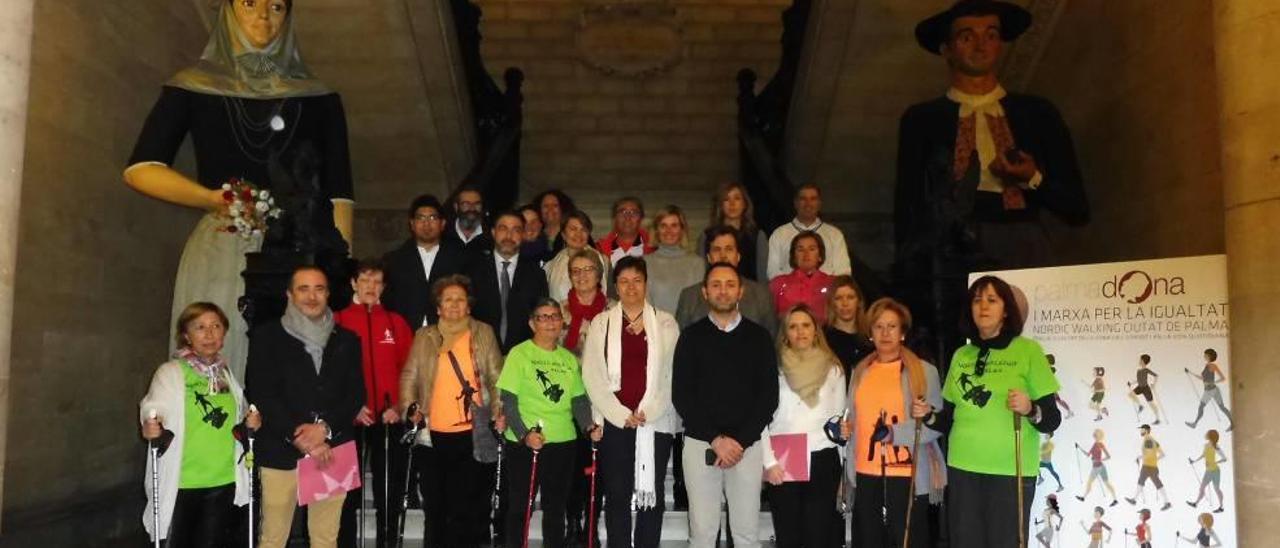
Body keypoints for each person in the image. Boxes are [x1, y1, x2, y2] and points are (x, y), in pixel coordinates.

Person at [124, 0, 356, 382]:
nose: (263, 17)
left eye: (277, 7)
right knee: (218, 347)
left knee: (297, 365)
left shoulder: (320, 98)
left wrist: (336, 270)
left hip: (299, 247)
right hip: (223, 244)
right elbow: (140, 169)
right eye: (250, 3)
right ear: (228, 11)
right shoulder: (191, 87)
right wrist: (213, 199)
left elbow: (339, 194)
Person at [894, 0, 1089, 368]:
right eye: (967, 36)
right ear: (948, 49)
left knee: (1036, 346)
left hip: (1024, 241)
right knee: (962, 353)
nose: (981, 45)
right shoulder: (923, 120)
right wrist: (910, 276)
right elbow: (907, 207)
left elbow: (1076, 206)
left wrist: (1031, 177)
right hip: (953, 251)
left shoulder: (1036, 113)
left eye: (991, 35)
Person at [911, 275, 1062, 548]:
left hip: (1009, 470)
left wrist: (1030, 408)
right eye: (977, 300)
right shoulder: (961, 355)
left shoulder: (1028, 351)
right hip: (963, 468)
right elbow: (948, 419)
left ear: (1006, 309)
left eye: (992, 300)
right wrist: (928, 414)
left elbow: (1052, 418)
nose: (983, 306)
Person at [246, 266, 365, 548]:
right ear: (289, 294)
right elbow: (262, 393)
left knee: (326, 537)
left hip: (333, 448)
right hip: (280, 447)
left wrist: (324, 430)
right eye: (303, 289)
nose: (312, 296)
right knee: (273, 537)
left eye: (319, 289)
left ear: (328, 294)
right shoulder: (266, 337)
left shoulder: (347, 340)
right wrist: (302, 438)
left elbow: (355, 394)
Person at [673, 262, 779, 548]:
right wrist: (716, 440)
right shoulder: (691, 337)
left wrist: (739, 442)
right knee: (703, 534)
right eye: (716, 285)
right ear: (705, 292)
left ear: (741, 291)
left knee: (745, 534)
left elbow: (768, 397)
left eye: (730, 284)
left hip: (747, 447)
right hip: (701, 445)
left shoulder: (759, 338)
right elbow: (682, 396)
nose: (723, 290)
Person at [139, 302, 261, 547]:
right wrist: (152, 423)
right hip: (183, 481)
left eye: (216, 326)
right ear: (186, 335)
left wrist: (251, 420)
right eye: (200, 327)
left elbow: (240, 413)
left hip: (223, 479)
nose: (209, 334)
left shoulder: (226, 374)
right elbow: (154, 406)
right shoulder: (171, 372)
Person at [580, 257, 681, 548]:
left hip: (655, 421)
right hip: (615, 423)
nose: (631, 287)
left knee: (652, 497)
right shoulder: (602, 323)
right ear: (614, 286)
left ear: (646, 284)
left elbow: (672, 374)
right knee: (617, 495)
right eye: (623, 281)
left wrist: (649, 411)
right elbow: (592, 374)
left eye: (637, 280)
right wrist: (620, 413)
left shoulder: (665, 323)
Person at [398, 274, 504, 547]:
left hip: (473, 434)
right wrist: (410, 408)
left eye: (460, 300)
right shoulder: (424, 336)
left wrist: (498, 412)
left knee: (470, 507)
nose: (455, 305)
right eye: (448, 300)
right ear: (438, 307)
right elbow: (410, 375)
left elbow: (496, 377)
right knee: (435, 507)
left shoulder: (483, 332)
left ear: (469, 306)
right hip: (432, 436)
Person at [840, 298, 944, 548]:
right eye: (878, 326)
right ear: (870, 332)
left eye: (892, 326)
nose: (885, 333)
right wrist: (846, 428)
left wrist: (893, 434)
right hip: (865, 472)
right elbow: (852, 416)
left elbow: (935, 425)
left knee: (908, 542)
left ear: (903, 333)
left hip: (907, 475)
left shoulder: (923, 371)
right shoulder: (860, 371)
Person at [498, 298, 594, 548]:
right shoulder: (519, 354)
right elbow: (508, 401)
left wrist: (589, 427)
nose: (550, 322)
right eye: (543, 317)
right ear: (532, 323)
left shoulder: (569, 359)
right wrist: (524, 434)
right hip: (525, 443)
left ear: (562, 322)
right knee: (520, 508)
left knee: (556, 509)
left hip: (563, 442)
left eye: (555, 316)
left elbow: (579, 401)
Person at [334, 260, 414, 548]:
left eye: (377, 281)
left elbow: (409, 369)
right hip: (346, 420)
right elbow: (327, 374)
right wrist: (351, 405)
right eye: (365, 280)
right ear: (354, 283)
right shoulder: (336, 320)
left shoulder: (396, 322)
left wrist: (401, 405)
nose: (371, 287)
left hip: (389, 417)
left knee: (388, 493)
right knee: (343, 496)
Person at [760, 304, 846, 548]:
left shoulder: (834, 369)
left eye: (806, 325)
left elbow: (839, 419)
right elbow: (762, 419)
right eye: (793, 326)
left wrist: (842, 464)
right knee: (788, 537)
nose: (800, 332)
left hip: (823, 457)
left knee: (819, 536)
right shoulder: (773, 368)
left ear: (816, 330)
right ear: (785, 333)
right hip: (784, 455)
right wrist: (769, 462)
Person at [557, 248, 611, 545]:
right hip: (564, 402)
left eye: (588, 269)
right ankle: (572, 519)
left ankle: (591, 521)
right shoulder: (559, 312)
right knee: (569, 467)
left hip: (602, 402)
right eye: (576, 271)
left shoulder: (614, 310)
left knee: (597, 467)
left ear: (600, 275)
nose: (582, 276)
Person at [464, 210, 551, 354]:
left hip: (523, 355)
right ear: (493, 232)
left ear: (523, 235)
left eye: (516, 230)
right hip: (479, 353)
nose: (509, 236)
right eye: (503, 228)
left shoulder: (536, 274)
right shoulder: (473, 271)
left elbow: (540, 316)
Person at [381, 194, 466, 329]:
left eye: (432, 218)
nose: (427, 223)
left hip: (449, 333)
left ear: (442, 224)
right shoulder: (394, 260)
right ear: (412, 224)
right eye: (421, 218)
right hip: (405, 334)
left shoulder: (460, 259)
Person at [674, 226, 777, 336]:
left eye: (729, 249)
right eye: (717, 250)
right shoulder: (689, 296)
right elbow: (681, 339)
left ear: (738, 256)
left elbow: (770, 337)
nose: (723, 256)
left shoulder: (761, 294)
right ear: (708, 258)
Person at [765, 184, 852, 279]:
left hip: (827, 292)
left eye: (813, 199)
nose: (808, 204)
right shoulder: (779, 234)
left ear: (819, 204)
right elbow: (773, 272)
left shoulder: (834, 235)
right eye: (803, 199)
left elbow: (843, 273)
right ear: (795, 203)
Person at [697, 182, 769, 281]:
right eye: (727, 199)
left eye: (737, 198)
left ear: (744, 204)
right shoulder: (707, 236)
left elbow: (762, 276)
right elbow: (701, 274)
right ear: (721, 205)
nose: (732, 204)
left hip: (749, 293)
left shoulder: (757, 236)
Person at [645, 206, 705, 315]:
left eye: (674, 225)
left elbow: (699, 304)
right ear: (656, 230)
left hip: (689, 329)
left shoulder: (697, 263)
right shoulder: (644, 263)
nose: (669, 231)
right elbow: (645, 306)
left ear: (682, 229)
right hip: (656, 328)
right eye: (663, 226)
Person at [545, 210, 611, 304]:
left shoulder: (603, 261)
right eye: (573, 229)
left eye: (583, 230)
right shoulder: (551, 265)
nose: (578, 234)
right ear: (563, 234)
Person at [770, 232, 835, 324]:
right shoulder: (778, 284)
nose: (806, 254)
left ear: (820, 256)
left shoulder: (833, 283)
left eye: (812, 249)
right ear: (794, 256)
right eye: (800, 249)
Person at [596, 196, 655, 266]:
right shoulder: (598, 250)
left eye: (634, 212)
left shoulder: (654, 249)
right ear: (614, 218)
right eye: (622, 212)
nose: (628, 217)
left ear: (641, 218)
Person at [1185, 348, 1234, 431]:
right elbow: (1202, 378)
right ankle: (1232, 423)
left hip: (1210, 391)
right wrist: (1190, 372)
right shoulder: (1207, 365)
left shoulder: (1212, 365)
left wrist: (1213, 382)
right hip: (1214, 390)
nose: (1204, 356)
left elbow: (1222, 378)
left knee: (1201, 407)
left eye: (1205, 355)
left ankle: (1195, 424)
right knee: (1222, 407)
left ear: (1209, 356)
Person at [1125, 424, 1171, 511]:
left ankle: (1167, 502)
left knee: (1152, 483)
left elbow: (1149, 453)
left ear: (1146, 430)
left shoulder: (1148, 440)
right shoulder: (1154, 441)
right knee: (1143, 481)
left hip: (1148, 466)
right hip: (1151, 466)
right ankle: (1134, 499)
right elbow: (1162, 454)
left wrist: (1140, 457)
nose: (1140, 431)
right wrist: (1155, 460)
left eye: (1142, 430)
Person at [1075, 429, 1119, 506]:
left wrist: (1098, 459)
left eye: (1097, 436)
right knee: (1106, 483)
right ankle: (1115, 499)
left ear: (1100, 436)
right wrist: (1079, 447)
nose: (1095, 437)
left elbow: (1108, 456)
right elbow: (1088, 455)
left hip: (1098, 467)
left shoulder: (1100, 444)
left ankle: (1083, 497)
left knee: (1090, 482)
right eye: (1095, 436)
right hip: (1100, 467)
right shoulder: (1095, 444)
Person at [1187, 429, 1227, 512]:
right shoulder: (1206, 445)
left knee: (1216, 489)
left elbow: (1224, 458)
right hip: (1208, 471)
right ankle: (1196, 503)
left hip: (1215, 471)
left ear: (1210, 436)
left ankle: (1221, 507)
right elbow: (1203, 455)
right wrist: (1194, 461)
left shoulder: (1216, 446)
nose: (1205, 434)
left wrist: (1215, 462)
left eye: (1207, 434)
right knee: (1201, 488)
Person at [445, 187, 493, 254]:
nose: (472, 209)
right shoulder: (443, 234)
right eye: (466, 204)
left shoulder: (492, 235)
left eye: (477, 204)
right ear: (456, 207)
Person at [534, 189, 578, 254]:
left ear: (563, 208)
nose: (550, 209)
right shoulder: (534, 236)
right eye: (546, 206)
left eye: (555, 205)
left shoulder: (576, 235)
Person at [1127, 354, 1162, 424]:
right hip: (1140, 387)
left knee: (1151, 404)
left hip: (1146, 388)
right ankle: (1140, 406)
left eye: (1140, 360)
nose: (1139, 361)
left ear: (1143, 361)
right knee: (1130, 394)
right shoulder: (1138, 371)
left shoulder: (1146, 370)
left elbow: (1156, 375)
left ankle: (1158, 419)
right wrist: (1131, 383)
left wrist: (1154, 384)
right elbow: (1138, 380)